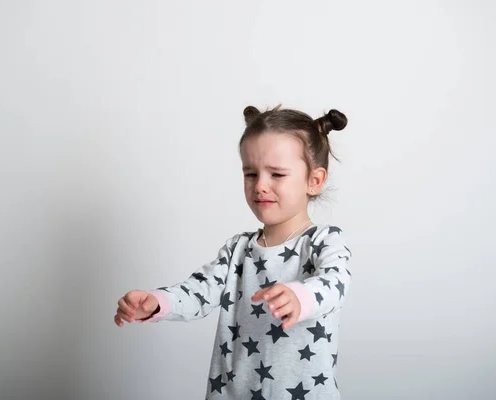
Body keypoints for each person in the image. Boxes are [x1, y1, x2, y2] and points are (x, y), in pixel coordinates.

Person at [114, 104, 353, 400]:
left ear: (314, 181)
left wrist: (301, 296)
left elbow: (335, 284)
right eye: (251, 174)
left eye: (277, 174)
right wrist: (158, 302)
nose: (260, 186)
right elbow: (198, 291)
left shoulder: (323, 241)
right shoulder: (238, 250)